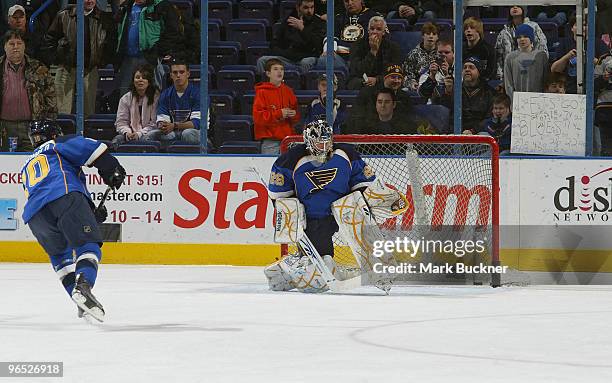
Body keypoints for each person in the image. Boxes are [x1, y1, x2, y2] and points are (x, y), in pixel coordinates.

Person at [20, 120, 126, 322]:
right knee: (89, 246)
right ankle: (83, 287)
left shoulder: (27, 163)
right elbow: (91, 149)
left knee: (61, 259)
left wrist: (89, 212)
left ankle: (79, 300)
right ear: (53, 134)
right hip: (64, 195)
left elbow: (48, 193)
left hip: (35, 215)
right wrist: (112, 168)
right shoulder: (56, 144)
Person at [264, 119, 378, 292]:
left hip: (342, 209)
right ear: (308, 141)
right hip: (313, 218)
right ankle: (286, 271)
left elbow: (363, 181)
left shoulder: (345, 153)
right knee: (321, 264)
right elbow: (278, 195)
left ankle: (376, 265)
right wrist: (294, 215)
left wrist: (365, 204)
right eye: (319, 143)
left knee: (363, 231)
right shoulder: (290, 160)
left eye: (327, 142)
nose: (324, 147)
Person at [41, 0, 116, 116]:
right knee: (62, 112)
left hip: (90, 70)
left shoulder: (104, 19)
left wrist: (101, 62)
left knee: (88, 113)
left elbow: (110, 43)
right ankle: (64, 134)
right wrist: (57, 58)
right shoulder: (64, 15)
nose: (89, 1)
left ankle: (86, 134)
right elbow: (50, 39)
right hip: (66, 69)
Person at [0, 29, 57, 152]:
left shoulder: (39, 68)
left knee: (34, 163)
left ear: (24, 46)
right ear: (4, 46)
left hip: (32, 128)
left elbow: (50, 97)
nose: (16, 47)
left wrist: (47, 123)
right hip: (4, 129)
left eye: (19, 43)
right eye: (11, 44)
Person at [256, 0, 325, 75]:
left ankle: (303, 85)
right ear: (298, 7)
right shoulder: (289, 20)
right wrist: (283, 52)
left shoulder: (318, 22)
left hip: (307, 57)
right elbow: (275, 42)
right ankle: (264, 86)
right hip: (288, 59)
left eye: (312, 7)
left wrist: (302, 29)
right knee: (262, 60)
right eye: (306, 8)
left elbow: (318, 45)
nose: (309, 11)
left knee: (306, 62)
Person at [147, 59, 201, 145]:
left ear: (188, 74)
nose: (178, 75)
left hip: (196, 133)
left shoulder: (199, 94)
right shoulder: (165, 95)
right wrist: (162, 125)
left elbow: (197, 123)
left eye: (182, 72)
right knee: (151, 135)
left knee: (187, 133)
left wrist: (175, 126)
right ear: (171, 75)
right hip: (173, 132)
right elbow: (162, 118)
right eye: (175, 73)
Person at [253, 58, 300, 154]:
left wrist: (293, 115)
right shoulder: (262, 92)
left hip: (288, 140)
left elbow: (296, 116)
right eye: (275, 69)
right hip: (270, 141)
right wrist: (279, 113)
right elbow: (258, 117)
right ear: (268, 73)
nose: (279, 72)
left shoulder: (288, 91)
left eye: (281, 69)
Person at [440, 56, 495, 133]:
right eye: (465, 67)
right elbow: (445, 113)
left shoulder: (489, 92)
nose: (467, 70)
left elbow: (490, 118)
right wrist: (448, 92)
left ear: (479, 72)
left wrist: (473, 131)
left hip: (479, 132)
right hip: (456, 131)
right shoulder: (454, 89)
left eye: (471, 67)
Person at [112, 64, 160, 149]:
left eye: (144, 77)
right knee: (118, 139)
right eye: (137, 77)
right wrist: (127, 133)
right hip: (130, 133)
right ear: (133, 81)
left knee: (147, 137)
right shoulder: (125, 98)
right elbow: (121, 122)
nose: (140, 80)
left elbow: (154, 123)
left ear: (149, 81)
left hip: (149, 132)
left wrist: (139, 133)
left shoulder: (156, 97)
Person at [495, 5, 548, 81]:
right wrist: (501, 78)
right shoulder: (504, 32)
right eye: (512, 6)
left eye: (518, 6)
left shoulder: (534, 27)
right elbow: (499, 58)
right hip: (510, 75)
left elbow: (542, 50)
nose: (515, 7)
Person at [503, 23, 549, 101]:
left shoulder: (541, 56)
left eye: (525, 36)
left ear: (531, 38)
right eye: (519, 37)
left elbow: (546, 80)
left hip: (538, 99)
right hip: (518, 101)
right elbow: (508, 84)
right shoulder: (510, 57)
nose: (522, 39)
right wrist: (512, 101)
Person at [402, 22, 439, 91]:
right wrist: (412, 83)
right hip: (418, 88)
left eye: (434, 34)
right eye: (428, 34)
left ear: (437, 37)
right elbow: (407, 75)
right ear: (423, 36)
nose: (431, 36)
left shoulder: (441, 54)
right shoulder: (413, 54)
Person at [418, 39, 454, 104]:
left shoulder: (460, 71)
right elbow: (422, 95)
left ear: (453, 54)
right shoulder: (428, 72)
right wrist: (432, 76)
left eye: (447, 52)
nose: (443, 55)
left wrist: (447, 74)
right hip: (433, 109)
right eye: (440, 52)